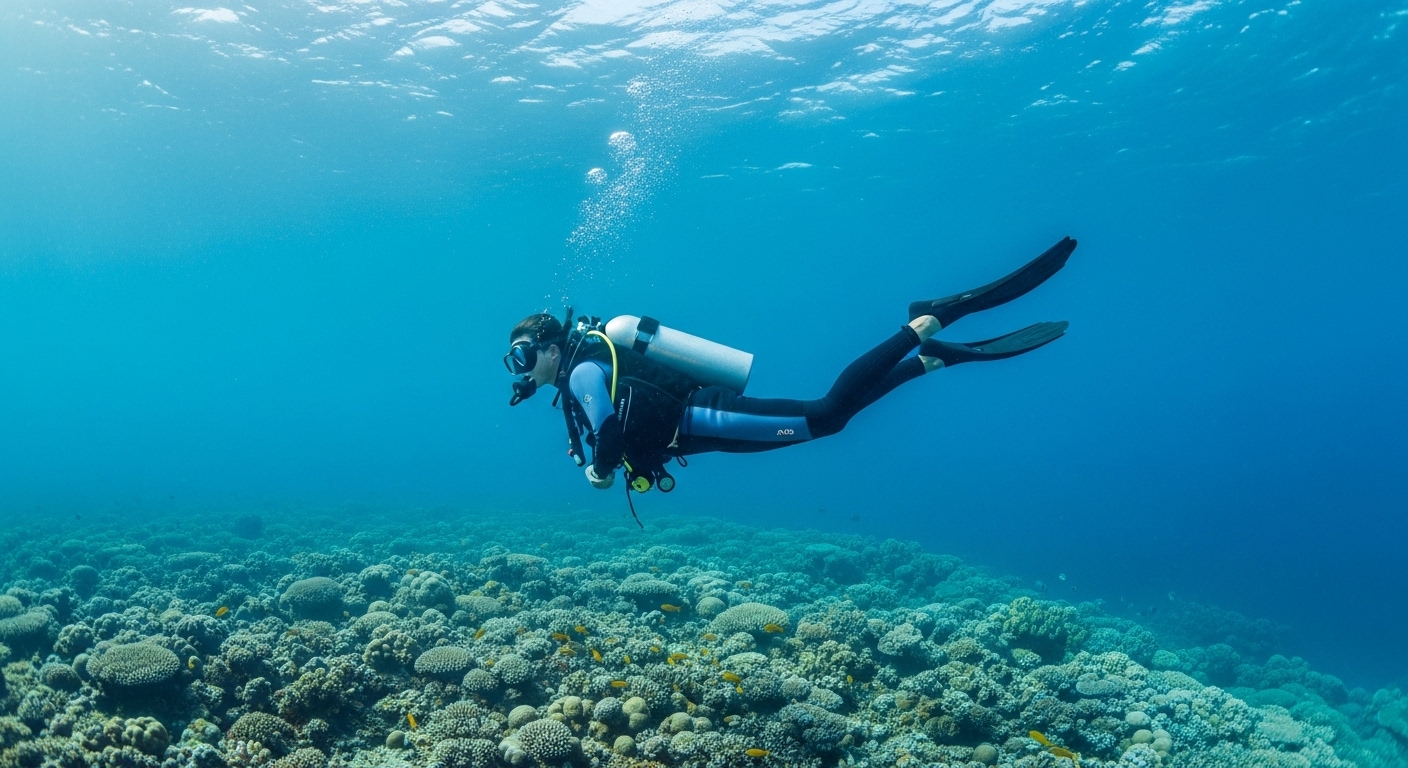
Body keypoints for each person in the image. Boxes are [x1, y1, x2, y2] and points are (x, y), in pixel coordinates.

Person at [504, 237, 1076, 496]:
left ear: (551, 347)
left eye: (525, 355)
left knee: (825, 412)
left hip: (704, 417)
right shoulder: (578, 370)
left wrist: (600, 472)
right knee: (831, 424)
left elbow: (606, 431)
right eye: (517, 360)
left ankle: (923, 324)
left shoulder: (580, 371)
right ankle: (929, 360)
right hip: (696, 434)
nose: (523, 368)